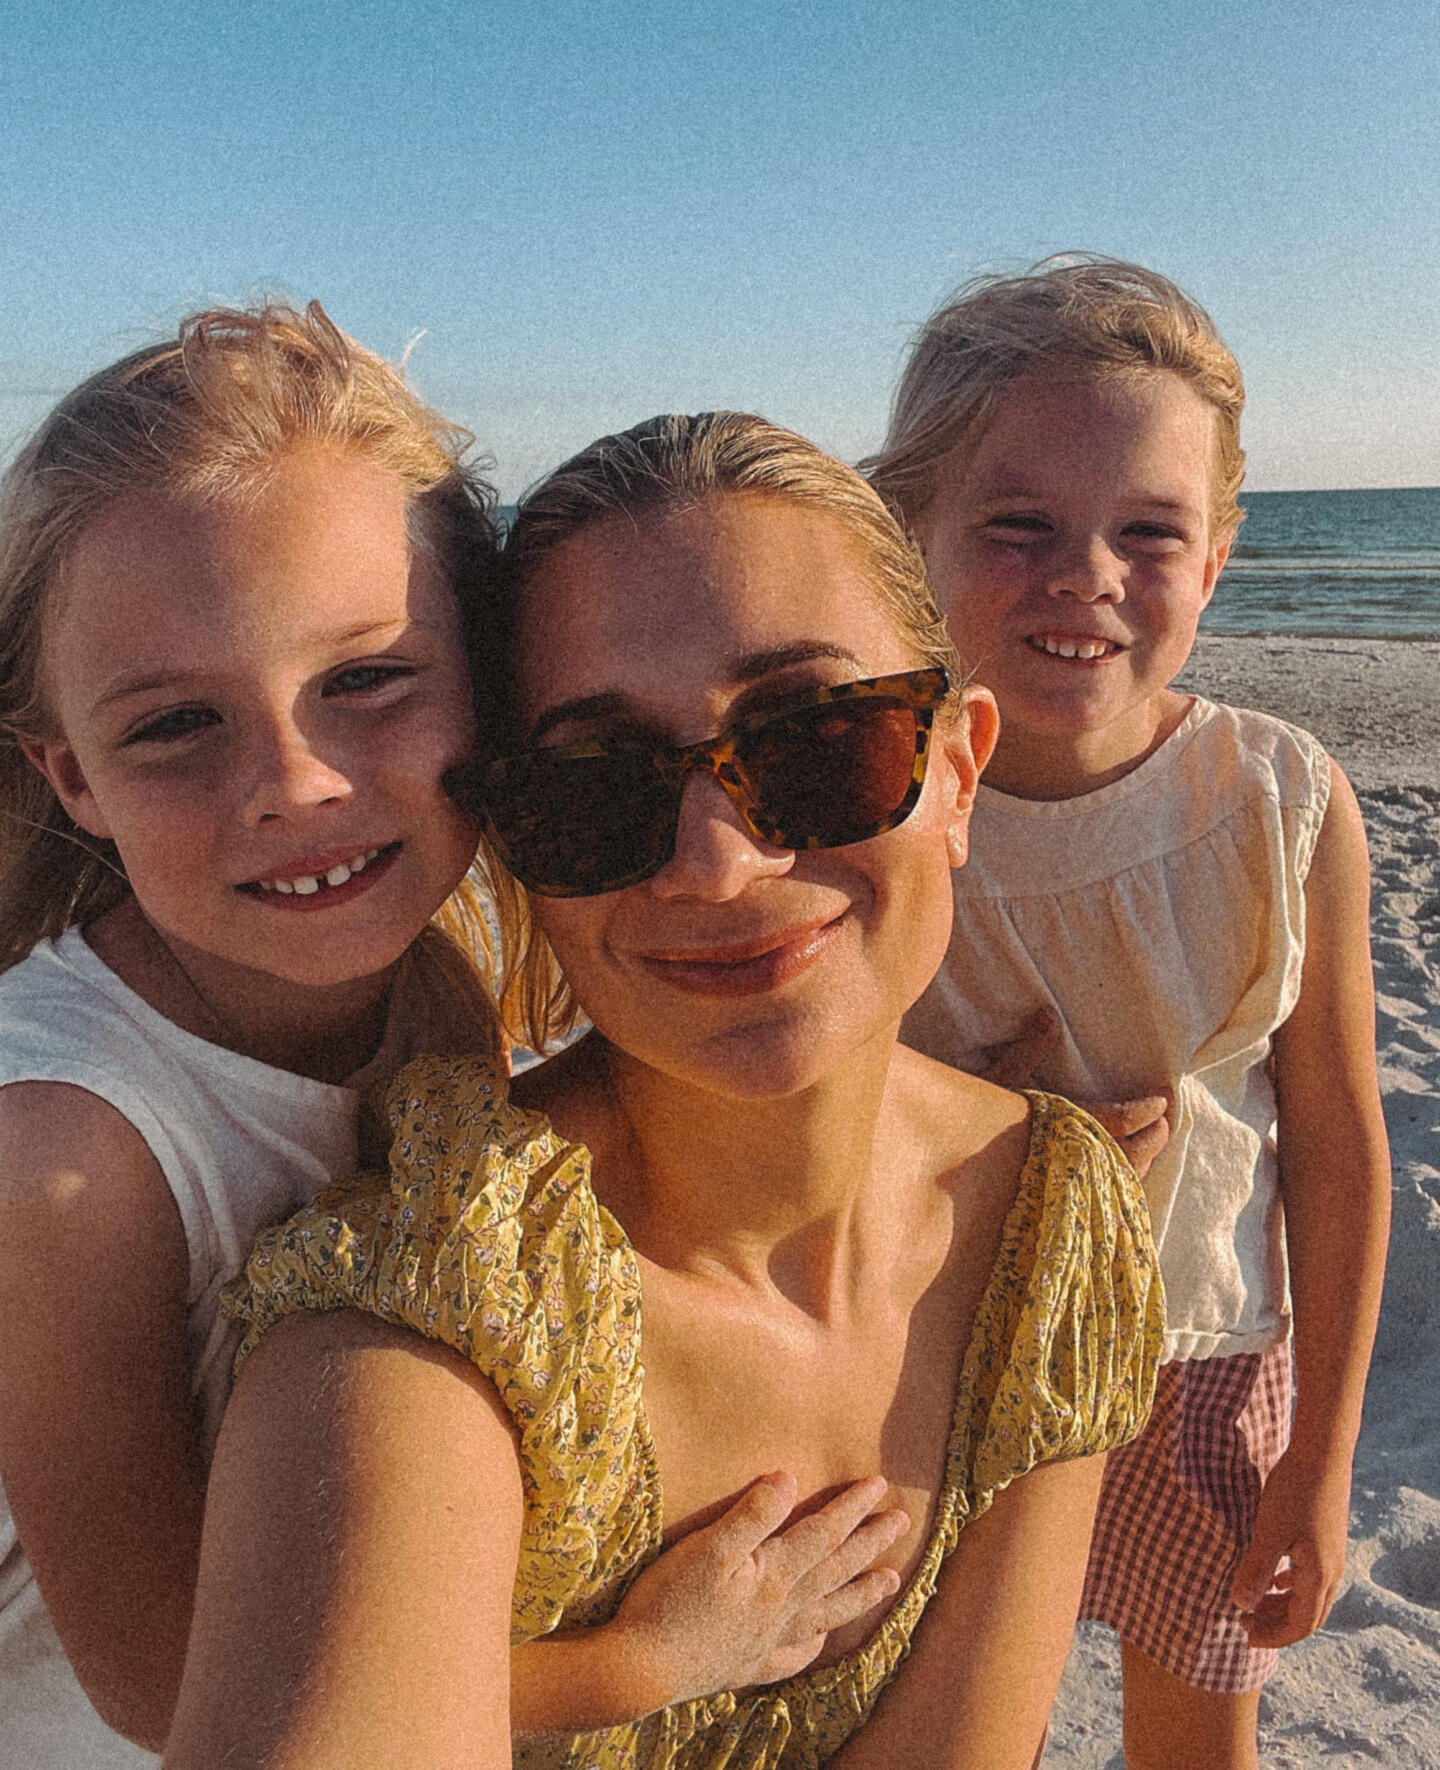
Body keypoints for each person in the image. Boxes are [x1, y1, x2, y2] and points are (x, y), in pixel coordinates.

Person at [0, 336, 977, 1764]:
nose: (297, 782)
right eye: (177, 724)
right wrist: (642, 1660)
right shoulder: (66, 1155)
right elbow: (155, 1682)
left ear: (483, 693)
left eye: (365, 681)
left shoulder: (438, 979)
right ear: (70, 772)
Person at [164, 411, 1163, 1770]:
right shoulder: (437, 1308)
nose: (717, 864)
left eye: (817, 742)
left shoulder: (1055, 1232)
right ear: (518, 851)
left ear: (957, 770)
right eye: (594, 792)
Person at [865, 257, 1392, 1770]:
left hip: (1208, 1347)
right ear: (914, 538)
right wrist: (1014, 1145)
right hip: (935, 1357)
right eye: (1017, 524)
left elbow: (1340, 1148)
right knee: (962, 1720)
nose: (1084, 575)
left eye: (1148, 531)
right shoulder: (866, 799)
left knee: (1195, 1727)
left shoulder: (1284, 802)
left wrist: (1322, 1452)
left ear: (1218, 560)